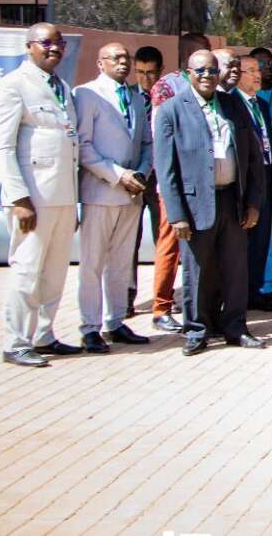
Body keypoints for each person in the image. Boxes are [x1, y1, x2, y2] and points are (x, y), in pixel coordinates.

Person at [154, 50, 266, 356]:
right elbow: (165, 169)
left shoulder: (233, 105)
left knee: (235, 269)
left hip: (232, 198)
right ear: (188, 72)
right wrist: (177, 215)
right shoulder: (171, 110)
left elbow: (253, 156)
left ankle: (236, 327)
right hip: (195, 204)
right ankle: (197, 330)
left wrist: (253, 202)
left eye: (211, 70)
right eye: (200, 70)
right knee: (198, 271)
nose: (207, 76)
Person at [0, 25, 81, 367]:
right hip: (32, 199)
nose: (54, 48)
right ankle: (16, 342)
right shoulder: (13, 85)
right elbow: (1, 147)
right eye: (46, 42)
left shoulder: (62, 87)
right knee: (27, 271)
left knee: (55, 272)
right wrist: (18, 198)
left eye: (58, 42)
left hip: (61, 195)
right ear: (29, 47)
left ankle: (44, 336)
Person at [73, 42, 153, 353]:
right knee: (93, 263)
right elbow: (83, 145)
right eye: (115, 58)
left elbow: (146, 142)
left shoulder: (134, 98)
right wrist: (118, 174)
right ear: (100, 62)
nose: (123, 63)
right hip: (101, 191)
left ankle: (115, 321)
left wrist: (142, 173)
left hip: (131, 194)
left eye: (126, 58)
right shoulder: (87, 94)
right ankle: (90, 327)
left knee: (121, 263)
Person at [145, 30, 213, 334]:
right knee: (171, 242)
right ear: (189, 56)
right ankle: (161, 307)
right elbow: (163, 139)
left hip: (206, 182)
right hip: (177, 183)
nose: (210, 64)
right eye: (204, 52)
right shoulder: (167, 87)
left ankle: (196, 305)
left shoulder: (210, 87)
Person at [224, 50, 272, 312]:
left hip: (265, 180)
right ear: (236, 75)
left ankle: (254, 291)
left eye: (259, 70)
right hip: (241, 184)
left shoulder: (262, 104)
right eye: (251, 71)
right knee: (240, 245)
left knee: (261, 241)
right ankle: (236, 297)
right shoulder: (228, 103)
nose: (257, 75)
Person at [127, 44, 164, 316]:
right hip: (135, 177)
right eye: (140, 72)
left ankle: (162, 296)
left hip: (161, 177)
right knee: (129, 239)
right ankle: (126, 296)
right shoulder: (127, 97)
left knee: (163, 238)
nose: (145, 78)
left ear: (160, 71)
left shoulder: (170, 97)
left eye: (150, 73)